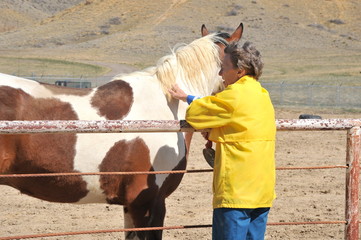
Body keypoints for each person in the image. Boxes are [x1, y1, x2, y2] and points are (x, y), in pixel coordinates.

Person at [168, 41, 276, 240]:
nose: (219, 74)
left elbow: (195, 115)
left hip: (237, 193)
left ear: (239, 72)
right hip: (262, 191)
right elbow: (239, 126)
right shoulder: (262, 94)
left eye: (223, 68)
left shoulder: (233, 95)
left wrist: (189, 101)